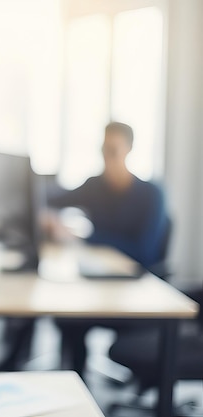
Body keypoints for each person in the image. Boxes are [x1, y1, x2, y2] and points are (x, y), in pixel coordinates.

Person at [49, 121, 170, 376]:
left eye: (114, 150)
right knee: (64, 312)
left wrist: (86, 236)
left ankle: (77, 383)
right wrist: (47, 217)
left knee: (71, 314)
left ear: (129, 150)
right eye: (104, 149)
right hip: (100, 283)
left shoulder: (151, 194)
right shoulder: (96, 186)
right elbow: (54, 198)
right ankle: (74, 382)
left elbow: (142, 252)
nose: (107, 157)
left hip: (137, 294)